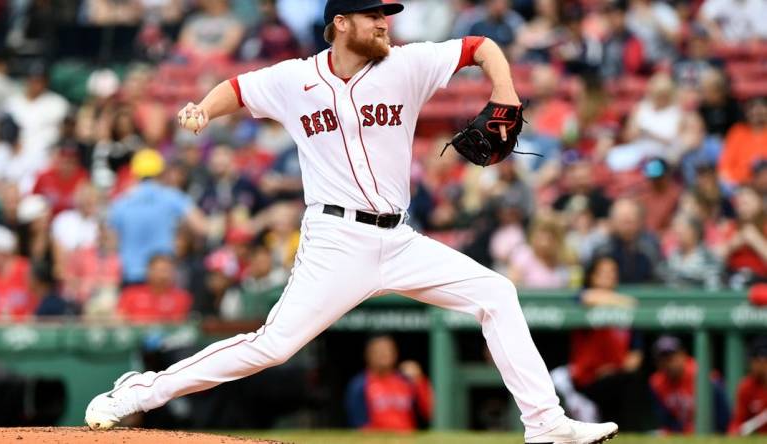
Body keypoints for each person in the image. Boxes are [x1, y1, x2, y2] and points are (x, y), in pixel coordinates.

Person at [86, 2, 618, 442]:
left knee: (496, 293)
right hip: (336, 240)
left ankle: (545, 424)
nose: (385, 23)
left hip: (400, 238)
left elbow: (482, 47)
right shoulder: (295, 78)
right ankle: (140, 391)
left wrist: (506, 91)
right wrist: (203, 108)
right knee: (272, 346)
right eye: (373, 15)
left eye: (386, 15)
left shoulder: (406, 64)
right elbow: (240, 88)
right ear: (341, 23)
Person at [108, 148, 208, 285]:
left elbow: (111, 243)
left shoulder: (121, 202)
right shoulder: (171, 196)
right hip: (162, 276)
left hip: (130, 275)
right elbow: (201, 227)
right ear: (161, 172)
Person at [345, 335, 433, 431]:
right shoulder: (360, 384)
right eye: (378, 351)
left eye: (387, 350)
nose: (383, 354)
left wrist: (420, 381)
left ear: (395, 354)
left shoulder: (406, 381)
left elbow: (430, 412)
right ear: (368, 354)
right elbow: (358, 424)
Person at [649, 335, 729, 434]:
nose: (667, 363)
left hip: (707, 430)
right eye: (662, 359)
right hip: (681, 432)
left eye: (671, 358)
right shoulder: (656, 383)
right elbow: (666, 420)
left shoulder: (702, 376)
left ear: (683, 355)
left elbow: (723, 414)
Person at [116, 254, 193, 323]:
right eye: (158, 270)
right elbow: (119, 320)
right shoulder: (130, 294)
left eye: (166, 270)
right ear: (148, 271)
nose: (162, 275)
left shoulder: (182, 297)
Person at [729, 336, 767, 436]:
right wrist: (735, 432)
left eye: (754, 360)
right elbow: (737, 423)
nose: (751, 365)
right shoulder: (746, 386)